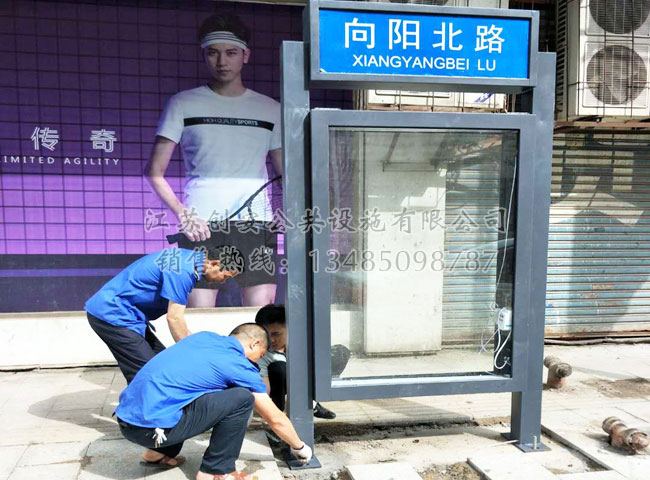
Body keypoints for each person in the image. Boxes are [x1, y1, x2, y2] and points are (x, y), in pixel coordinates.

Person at [145, 12, 282, 308]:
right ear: (204, 55)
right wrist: (184, 215)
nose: (222, 61)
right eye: (213, 53)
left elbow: (286, 176)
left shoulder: (270, 109)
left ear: (245, 55)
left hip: (257, 225)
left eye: (231, 53)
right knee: (200, 312)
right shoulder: (183, 103)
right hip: (201, 223)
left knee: (261, 314)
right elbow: (154, 172)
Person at [115, 323, 312, 480]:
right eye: (260, 356)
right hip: (150, 431)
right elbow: (274, 418)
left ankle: (156, 454)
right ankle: (216, 471)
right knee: (242, 398)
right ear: (254, 344)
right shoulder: (238, 365)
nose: (256, 362)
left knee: (191, 392)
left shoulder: (204, 338)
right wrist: (300, 447)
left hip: (127, 421)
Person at [86, 247, 236, 384]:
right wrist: (194, 355)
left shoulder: (188, 260)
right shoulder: (183, 270)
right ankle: (137, 405)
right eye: (225, 276)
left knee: (164, 364)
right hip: (112, 314)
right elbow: (174, 318)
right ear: (214, 264)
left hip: (129, 317)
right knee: (151, 374)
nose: (223, 281)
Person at [254, 305, 351, 420]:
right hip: (277, 388)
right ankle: (279, 410)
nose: (271, 340)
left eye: (276, 334)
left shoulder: (301, 342)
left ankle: (312, 403)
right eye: (266, 334)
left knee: (340, 351)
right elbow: (265, 387)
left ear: (290, 329)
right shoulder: (261, 353)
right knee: (278, 367)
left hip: (304, 380)